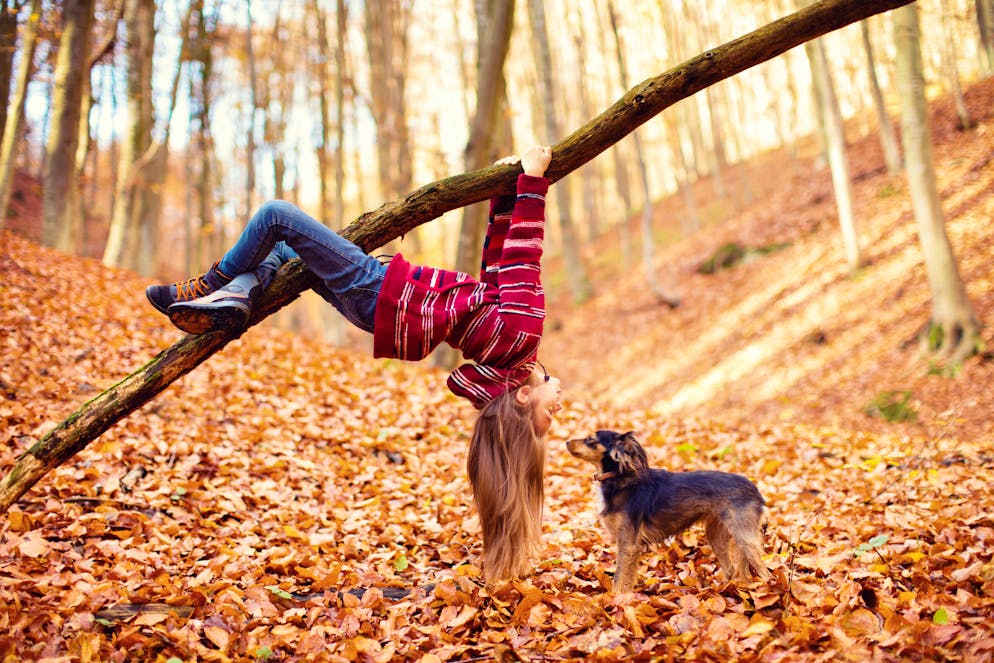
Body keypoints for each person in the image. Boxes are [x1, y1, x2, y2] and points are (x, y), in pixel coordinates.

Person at [146, 146, 563, 580]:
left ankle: (210, 284)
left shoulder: (521, 334)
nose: (560, 405)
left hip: (380, 291)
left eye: (550, 412)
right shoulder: (511, 350)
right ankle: (237, 293)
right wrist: (505, 197)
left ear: (525, 395)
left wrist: (532, 185)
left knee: (276, 216)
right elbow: (497, 269)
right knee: (287, 250)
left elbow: (522, 261)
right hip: (377, 308)